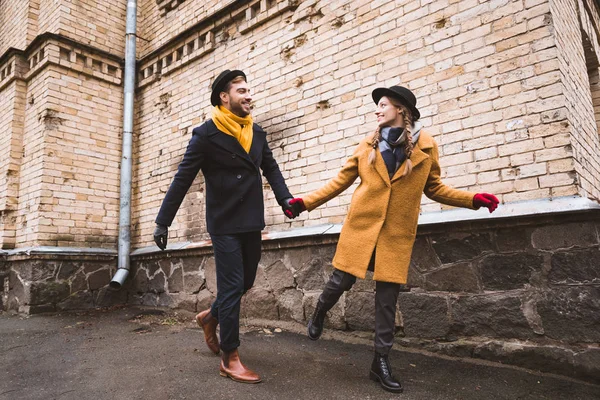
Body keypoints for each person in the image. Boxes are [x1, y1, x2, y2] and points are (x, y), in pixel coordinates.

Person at [288, 85, 499, 393]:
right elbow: (339, 182)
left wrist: (472, 199)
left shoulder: (426, 147)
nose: (377, 110)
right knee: (340, 281)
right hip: (362, 229)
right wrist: (304, 202)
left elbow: (435, 188)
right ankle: (321, 310)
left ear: (400, 109)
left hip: (395, 234)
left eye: (383, 104)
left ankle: (380, 361)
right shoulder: (366, 146)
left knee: (387, 300)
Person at [153, 69, 300, 384]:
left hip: (251, 220)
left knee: (245, 281)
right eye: (242, 91)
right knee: (233, 286)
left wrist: (286, 200)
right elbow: (183, 179)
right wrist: (162, 221)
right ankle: (230, 357)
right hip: (224, 223)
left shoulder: (256, 133)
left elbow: (271, 169)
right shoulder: (206, 135)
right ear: (224, 96)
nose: (249, 96)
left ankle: (210, 316)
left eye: (250, 90)